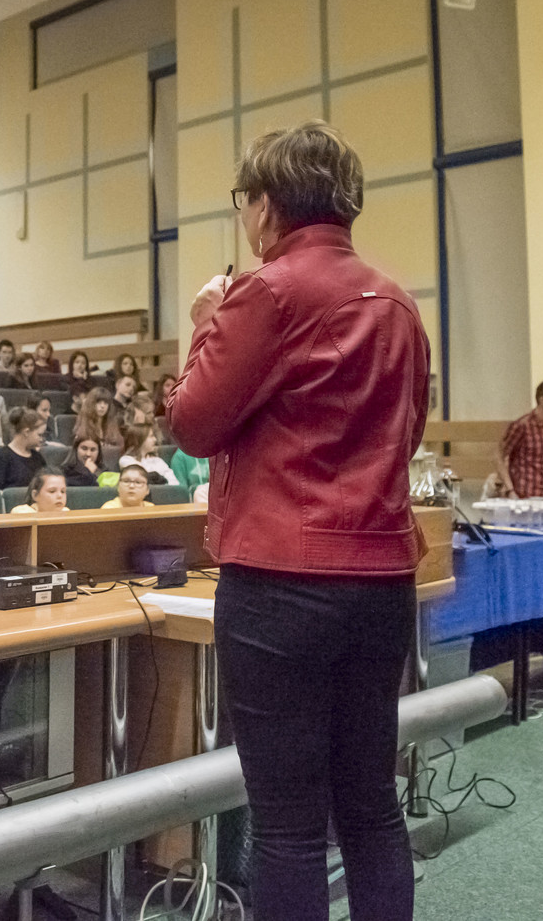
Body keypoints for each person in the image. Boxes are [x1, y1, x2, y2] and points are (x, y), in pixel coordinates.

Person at [166, 122, 429, 920]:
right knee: (371, 806)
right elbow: (409, 432)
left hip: (282, 583)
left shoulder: (266, 291)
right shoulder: (399, 303)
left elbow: (193, 425)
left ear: (266, 204)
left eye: (244, 200)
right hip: (382, 582)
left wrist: (207, 323)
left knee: (287, 826)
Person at [495, 380, 543, 498]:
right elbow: (499, 457)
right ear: (542, 400)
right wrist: (510, 489)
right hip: (525, 493)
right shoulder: (522, 425)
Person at [0, 407, 47, 490]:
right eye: (39, 435)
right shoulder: (2, 457)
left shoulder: (37, 457)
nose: (41, 439)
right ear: (27, 432)